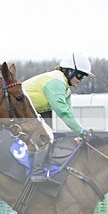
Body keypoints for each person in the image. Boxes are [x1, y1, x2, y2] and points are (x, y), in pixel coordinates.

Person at [23, 53, 93, 183]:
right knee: (46, 136)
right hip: (18, 110)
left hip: (32, 112)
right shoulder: (57, 81)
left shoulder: (66, 90)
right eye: (79, 75)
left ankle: (41, 167)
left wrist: (78, 132)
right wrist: (80, 131)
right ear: (70, 71)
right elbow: (63, 111)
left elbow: (69, 113)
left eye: (83, 77)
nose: (80, 79)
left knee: (54, 135)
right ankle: (36, 173)